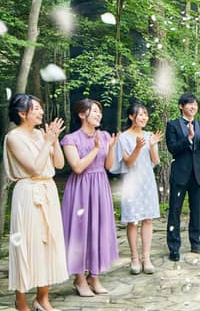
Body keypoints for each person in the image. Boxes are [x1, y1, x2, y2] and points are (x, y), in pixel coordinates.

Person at [3, 94, 67, 311]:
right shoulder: (13, 137)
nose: (41, 112)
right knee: (26, 244)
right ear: (22, 113)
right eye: (36, 108)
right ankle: (20, 300)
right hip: (28, 193)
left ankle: (42, 298)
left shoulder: (41, 134)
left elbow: (59, 164)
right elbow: (33, 168)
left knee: (48, 242)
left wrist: (54, 140)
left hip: (48, 190)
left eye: (40, 108)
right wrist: (47, 142)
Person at [60, 99, 119, 297]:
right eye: (94, 111)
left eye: (99, 111)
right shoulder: (70, 139)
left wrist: (111, 147)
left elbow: (108, 166)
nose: (98, 114)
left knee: (98, 230)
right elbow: (77, 167)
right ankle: (79, 278)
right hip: (81, 188)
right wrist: (95, 149)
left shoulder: (104, 135)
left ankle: (94, 276)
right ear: (81, 114)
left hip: (100, 185)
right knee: (80, 231)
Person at [111, 102, 163, 275]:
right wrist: (138, 147)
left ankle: (146, 258)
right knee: (133, 220)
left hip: (147, 181)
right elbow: (128, 162)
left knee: (148, 219)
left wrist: (153, 145)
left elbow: (155, 161)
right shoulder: (123, 138)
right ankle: (134, 258)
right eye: (140, 114)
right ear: (131, 116)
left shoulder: (149, 135)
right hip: (132, 183)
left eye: (145, 114)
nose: (144, 117)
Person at [165, 93, 200, 262]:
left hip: (197, 174)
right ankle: (174, 247)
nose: (193, 107)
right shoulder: (173, 125)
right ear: (181, 106)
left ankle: (196, 243)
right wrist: (189, 138)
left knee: (196, 210)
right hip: (180, 174)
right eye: (190, 104)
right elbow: (172, 148)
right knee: (175, 211)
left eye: (195, 104)